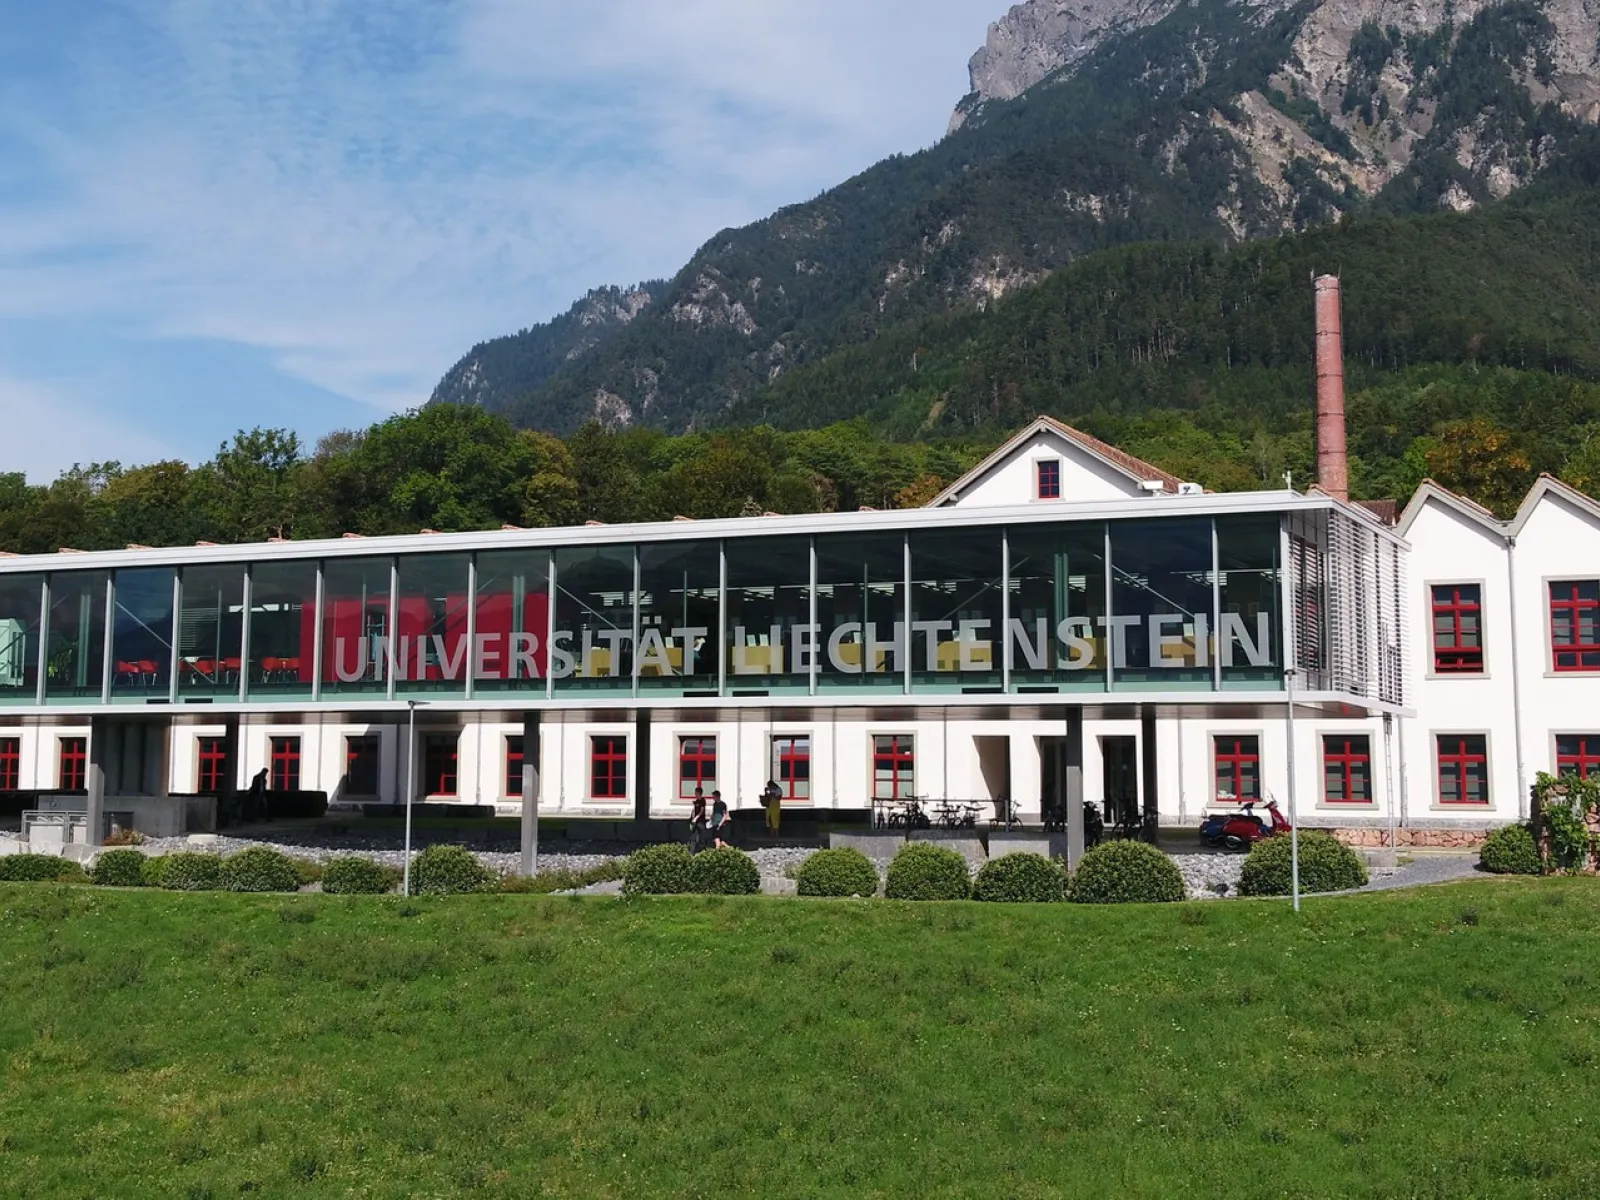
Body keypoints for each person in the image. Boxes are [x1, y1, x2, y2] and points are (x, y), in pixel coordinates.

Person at [689, 787, 708, 852]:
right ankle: (691, 853)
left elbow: (701, 811)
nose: (695, 794)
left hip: (701, 822)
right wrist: (692, 817)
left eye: (696, 793)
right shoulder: (696, 801)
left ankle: (703, 851)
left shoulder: (703, 800)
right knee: (693, 837)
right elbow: (694, 810)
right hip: (695, 822)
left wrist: (696, 818)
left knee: (702, 837)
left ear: (699, 793)